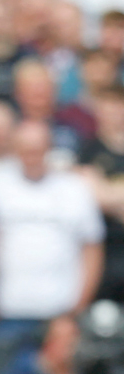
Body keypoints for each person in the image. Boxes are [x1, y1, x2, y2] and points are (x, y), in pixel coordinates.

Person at [0, 121, 105, 342]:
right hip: (7, 312)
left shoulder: (74, 188)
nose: (32, 157)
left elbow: (92, 248)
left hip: (60, 315)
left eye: (38, 150)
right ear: (15, 151)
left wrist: (78, 307)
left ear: (49, 150)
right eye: (26, 151)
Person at [78, 85, 124, 302]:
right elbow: (95, 198)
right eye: (107, 107)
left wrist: (107, 191)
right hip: (103, 251)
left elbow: (104, 195)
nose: (113, 113)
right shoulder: (88, 150)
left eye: (118, 106)